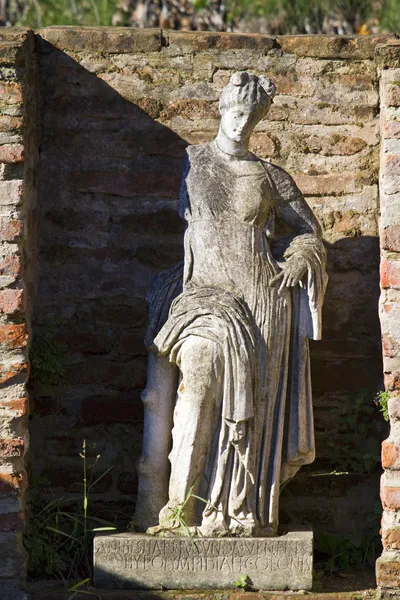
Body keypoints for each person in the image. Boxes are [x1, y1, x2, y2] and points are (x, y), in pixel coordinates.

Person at [134, 71, 328, 538]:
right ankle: (178, 512)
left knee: (252, 414)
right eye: (236, 112)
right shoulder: (191, 161)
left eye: (252, 117)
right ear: (222, 109)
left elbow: (310, 231)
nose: (242, 124)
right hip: (203, 297)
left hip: (263, 302)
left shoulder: (270, 176)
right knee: (199, 380)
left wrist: (302, 257)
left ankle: (240, 513)